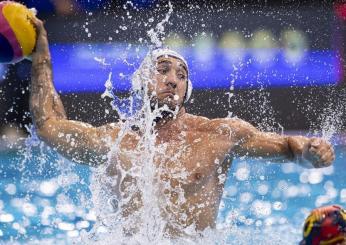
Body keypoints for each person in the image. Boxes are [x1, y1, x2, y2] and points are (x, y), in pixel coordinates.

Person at [29, 16, 335, 238]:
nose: (173, 79)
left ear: (187, 89)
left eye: (181, 74)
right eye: (162, 71)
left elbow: (285, 146)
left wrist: (309, 150)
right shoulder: (114, 140)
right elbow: (49, 126)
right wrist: (40, 56)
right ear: (141, 82)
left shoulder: (217, 134)